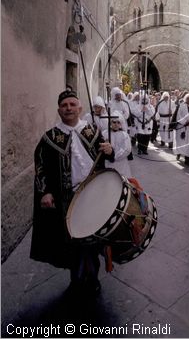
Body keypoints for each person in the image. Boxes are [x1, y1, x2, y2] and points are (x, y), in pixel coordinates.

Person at [30, 90, 114, 296]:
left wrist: (110, 150)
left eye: (72, 104)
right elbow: (40, 167)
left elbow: (106, 156)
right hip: (67, 199)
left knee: (92, 241)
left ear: (80, 108)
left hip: (93, 195)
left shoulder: (92, 131)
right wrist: (45, 193)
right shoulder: (50, 138)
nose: (68, 108)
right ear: (59, 110)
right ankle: (76, 280)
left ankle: (93, 277)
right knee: (74, 243)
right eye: (64, 105)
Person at [103, 111, 132, 178]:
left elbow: (127, 149)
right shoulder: (104, 133)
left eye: (118, 122)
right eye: (114, 122)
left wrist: (114, 156)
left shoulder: (124, 135)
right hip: (108, 163)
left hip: (121, 163)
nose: (116, 124)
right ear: (110, 122)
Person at [174, 92, 189, 166]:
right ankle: (178, 153)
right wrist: (184, 122)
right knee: (180, 142)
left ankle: (187, 159)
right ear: (186, 99)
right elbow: (178, 116)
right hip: (181, 127)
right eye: (188, 98)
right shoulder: (181, 106)